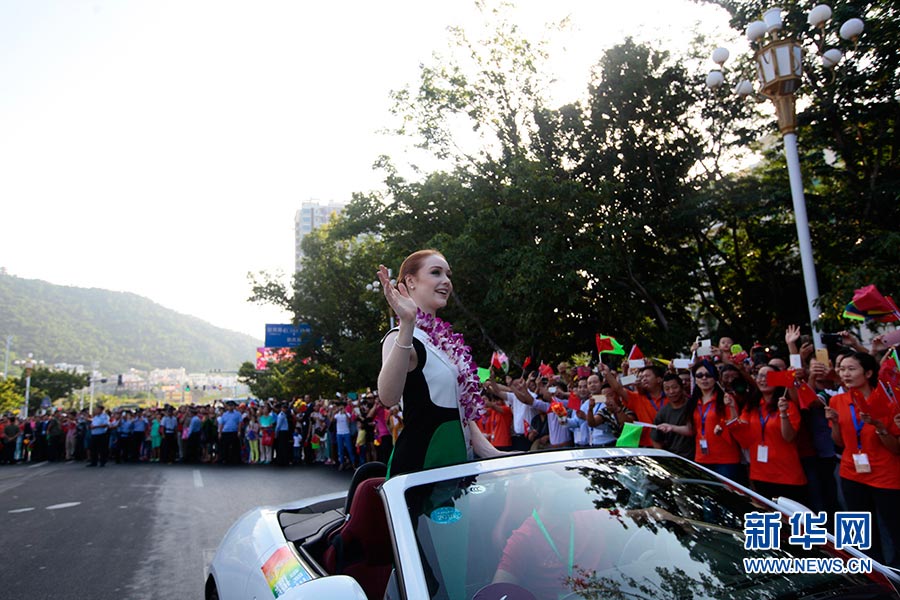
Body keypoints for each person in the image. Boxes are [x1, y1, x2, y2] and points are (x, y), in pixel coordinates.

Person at [376, 250, 505, 478]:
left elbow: (458, 408)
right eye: (436, 272)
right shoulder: (400, 337)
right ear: (411, 281)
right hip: (423, 468)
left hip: (459, 465)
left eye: (448, 274)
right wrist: (407, 323)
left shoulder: (446, 344)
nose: (446, 281)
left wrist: (490, 452)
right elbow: (388, 397)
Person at [825, 351, 900, 568]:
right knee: (860, 534)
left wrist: (879, 427)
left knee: (895, 529)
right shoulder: (837, 400)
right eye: (842, 369)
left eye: (851, 369)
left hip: (886, 476)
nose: (845, 374)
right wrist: (836, 424)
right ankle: (870, 574)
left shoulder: (887, 401)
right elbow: (839, 443)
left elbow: (896, 449)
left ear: (868, 373)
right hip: (851, 474)